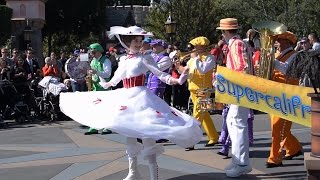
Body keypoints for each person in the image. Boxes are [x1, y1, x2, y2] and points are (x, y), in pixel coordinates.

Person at [59, 26, 202, 180]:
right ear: (127, 41)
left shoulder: (145, 58)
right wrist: (99, 78)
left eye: (140, 40)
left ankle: (154, 177)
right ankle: (133, 172)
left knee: (148, 137)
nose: (139, 43)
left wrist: (179, 80)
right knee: (129, 135)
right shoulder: (123, 59)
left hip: (142, 98)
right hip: (126, 97)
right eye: (136, 40)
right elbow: (114, 80)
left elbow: (161, 76)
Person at [216, 18, 252, 177]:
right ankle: (238, 160)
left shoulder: (236, 44)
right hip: (236, 90)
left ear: (224, 32)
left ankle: (242, 162)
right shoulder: (235, 43)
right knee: (232, 123)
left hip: (239, 90)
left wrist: (223, 78)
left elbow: (241, 68)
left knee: (237, 124)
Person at [266, 31, 303, 168]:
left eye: (278, 40)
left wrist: (271, 61)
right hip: (275, 94)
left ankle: (274, 158)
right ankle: (294, 148)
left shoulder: (295, 56)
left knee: (277, 129)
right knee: (279, 127)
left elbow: (287, 70)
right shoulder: (276, 54)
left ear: (287, 41)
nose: (276, 42)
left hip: (287, 96)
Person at [176, 36, 219, 149]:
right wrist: (177, 67)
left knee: (197, 115)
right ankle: (214, 137)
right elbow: (185, 72)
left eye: (196, 46)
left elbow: (203, 69)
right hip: (193, 89)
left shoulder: (210, 58)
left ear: (202, 46)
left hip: (204, 90)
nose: (193, 48)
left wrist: (196, 59)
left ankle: (191, 141)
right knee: (204, 114)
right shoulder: (193, 59)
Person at [84, 43, 113, 135]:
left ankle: (107, 127)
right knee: (95, 107)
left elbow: (107, 74)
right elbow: (92, 74)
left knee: (105, 107)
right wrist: (90, 80)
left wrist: (97, 72)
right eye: (91, 51)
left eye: (93, 51)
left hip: (104, 87)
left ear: (98, 51)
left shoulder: (106, 61)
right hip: (95, 87)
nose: (91, 53)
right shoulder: (93, 61)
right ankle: (94, 126)